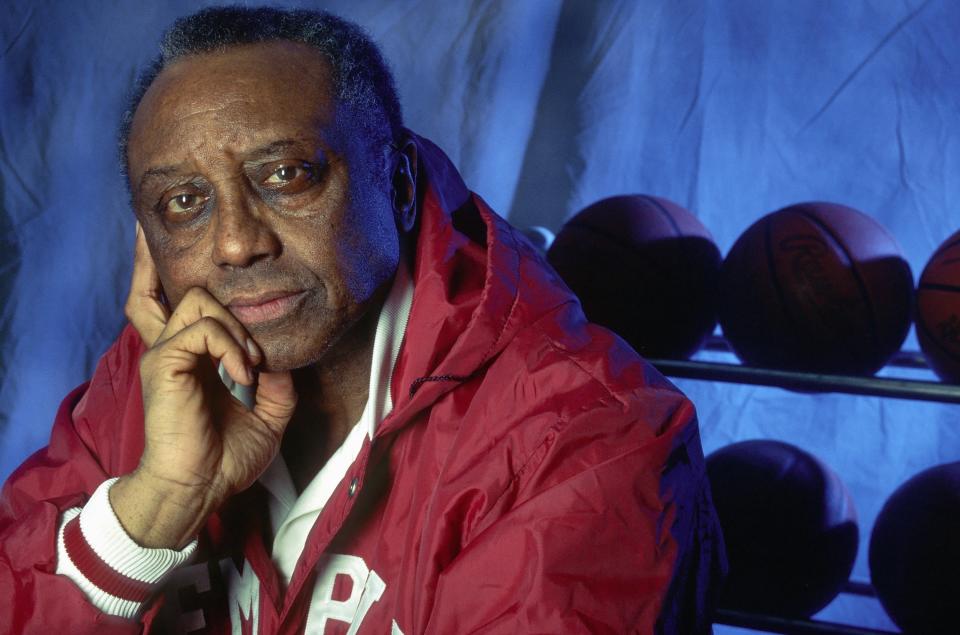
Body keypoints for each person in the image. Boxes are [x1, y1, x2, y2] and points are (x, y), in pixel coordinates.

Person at [0, 6, 724, 634]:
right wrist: (154, 503)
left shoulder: (592, 438)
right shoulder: (153, 381)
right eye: (183, 202)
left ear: (400, 185)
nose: (235, 243)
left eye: (286, 175)